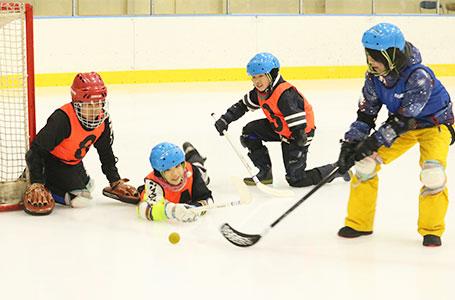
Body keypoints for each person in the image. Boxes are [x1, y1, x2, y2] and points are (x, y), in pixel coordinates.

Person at [336, 23, 454, 247]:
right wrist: (351, 144)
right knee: (364, 164)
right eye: (368, 55)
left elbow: (402, 120)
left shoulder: (419, 76)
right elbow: (366, 114)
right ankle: (359, 223)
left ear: (393, 55)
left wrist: (370, 142)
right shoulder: (374, 78)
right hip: (404, 125)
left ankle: (432, 230)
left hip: (434, 125)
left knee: (433, 173)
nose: (371, 61)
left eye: (376, 56)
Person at [214, 52, 349, 187]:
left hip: (298, 134)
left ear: (272, 74)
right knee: (250, 133)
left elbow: (296, 118)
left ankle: (337, 169)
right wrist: (225, 119)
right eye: (254, 77)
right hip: (280, 129)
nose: (257, 81)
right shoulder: (259, 92)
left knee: (296, 180)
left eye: (261, 76)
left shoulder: (285, 93)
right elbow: (242, 106)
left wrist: (298, 137)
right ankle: (265, 173)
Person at [23, 72, 139, 215]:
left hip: (73, 163)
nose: (95, 110)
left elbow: (106, 152)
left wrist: (115, 181)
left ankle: (54, 185)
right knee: (79, 200)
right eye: (88, 105)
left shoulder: (103, 121)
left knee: (89, 186)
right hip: (51, 163)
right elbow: (36, 151)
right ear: (76, 102)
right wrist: (37, 182)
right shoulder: (62, 119)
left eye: (98, 104)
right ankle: (43, 184)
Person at [137, 142, 212, 223]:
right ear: (159, 173)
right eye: (167, 170)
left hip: (194, 170)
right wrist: (173, 211)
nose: (175, 174)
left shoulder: (192, 171)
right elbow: (145, 210)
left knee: (199, 166)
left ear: (183, 165)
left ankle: (191, 151)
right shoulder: (153, 183)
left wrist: (195, 208)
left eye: (177, 166)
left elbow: (208, 200)